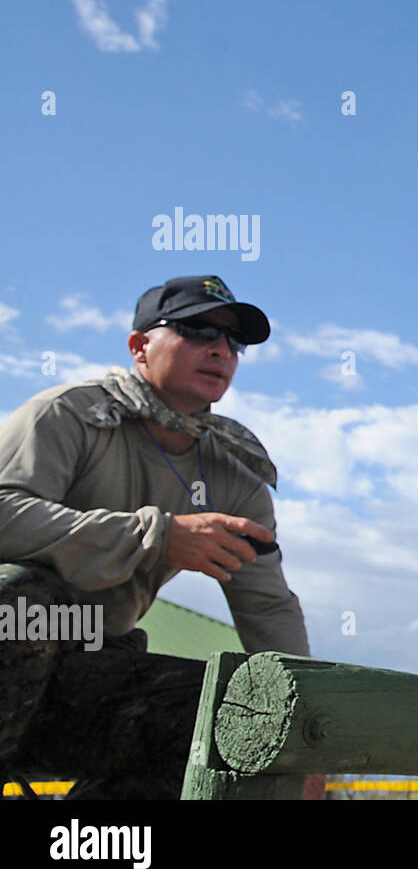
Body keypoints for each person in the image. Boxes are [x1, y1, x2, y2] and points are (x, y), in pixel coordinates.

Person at [0, 274, 314, 799]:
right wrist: (156, 537)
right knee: (23, 598)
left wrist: (306, 739)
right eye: (195, 330)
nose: (219, 349)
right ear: (139, 346)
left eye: (232, 341)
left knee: (237, 720)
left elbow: (269, 609)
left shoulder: (234, 475)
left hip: (90, 672)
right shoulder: (70, 415)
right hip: (13, 644)